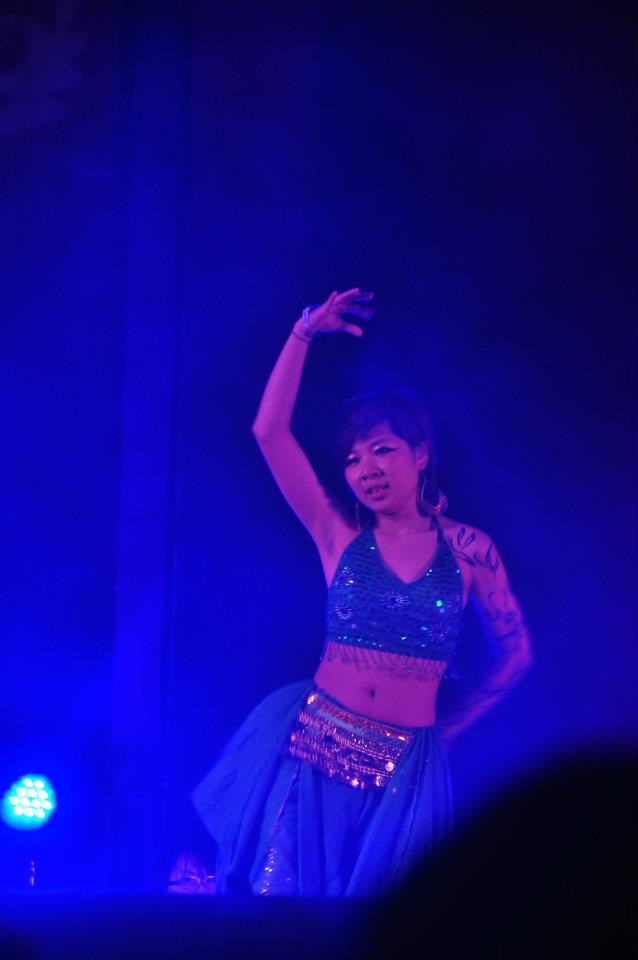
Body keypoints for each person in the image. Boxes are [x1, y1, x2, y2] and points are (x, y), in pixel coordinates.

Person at [192, 288, 533, 897]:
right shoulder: (337, 536)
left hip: (407, 768)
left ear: (420, 455)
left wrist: (451, 728)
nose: (366, 468)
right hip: (316, 745)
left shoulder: (470, 552)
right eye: (352, 459)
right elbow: (269, 431)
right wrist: (303, 331)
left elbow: (516, 654)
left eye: (382, 450)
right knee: (283, 910)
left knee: (384, 919)